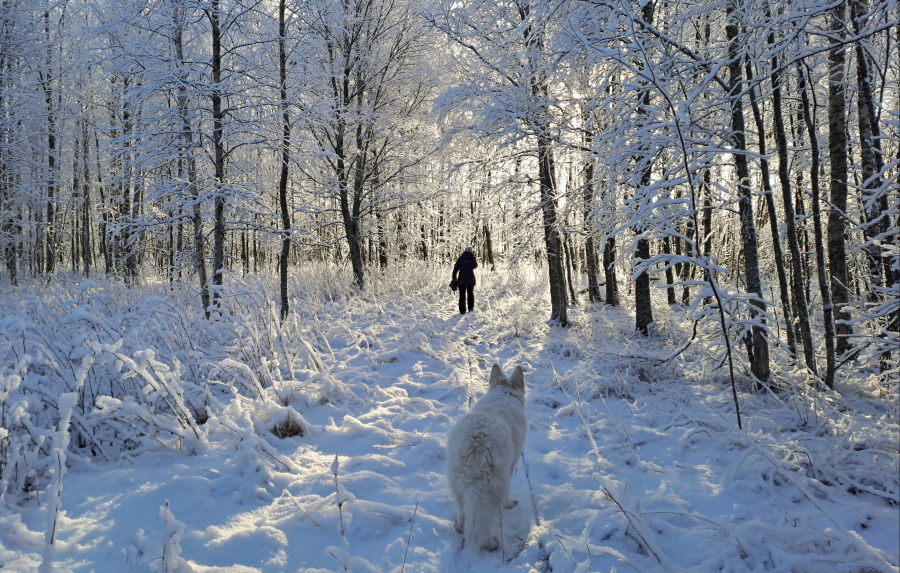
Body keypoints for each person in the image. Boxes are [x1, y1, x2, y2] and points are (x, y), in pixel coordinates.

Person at [452, 246, 478, 314]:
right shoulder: (472, 258)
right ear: (471, 252)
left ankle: (462, 311)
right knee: (470, 294)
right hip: (470, 279)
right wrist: (472, 258)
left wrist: (454, 279)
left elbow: (455, 270)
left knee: (462, 295)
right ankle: (470, 308)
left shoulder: (460, 259)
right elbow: (475, 266)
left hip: (461, 280)